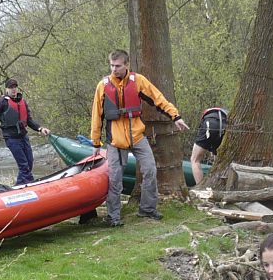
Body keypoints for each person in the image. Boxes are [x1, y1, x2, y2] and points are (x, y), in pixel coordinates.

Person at [90, 49, 190, 227]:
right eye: (112, 65)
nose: (114, 69)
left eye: (118, 66)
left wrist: (176, 117)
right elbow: (96, 116)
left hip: (137, 135)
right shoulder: (103, 85)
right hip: (116, 141)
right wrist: (95, 142)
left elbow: (158, 99)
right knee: (115, 178)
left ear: (126, 65)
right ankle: (113, 216)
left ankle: (147, 209)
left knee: (150, 169)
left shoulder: (138, 81)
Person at [0, 78, 50, 186]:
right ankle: (31, 186)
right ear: (6, 89)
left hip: (24, 137)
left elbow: (29, 120)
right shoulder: (1, 102)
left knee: (29, 163)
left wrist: (40, 128)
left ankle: (19, 187)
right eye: (11, 87)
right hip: (11, 138)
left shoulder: (22, 102)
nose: (13, 89)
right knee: (24, 166)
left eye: (15, 87)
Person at [190, 107, 227, 184]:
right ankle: (217, 185)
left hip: (210, 121)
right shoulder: (222, 112)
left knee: (195, 160)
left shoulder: (207, 117)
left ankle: (200, 189)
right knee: (218, 161)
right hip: (225, 123)